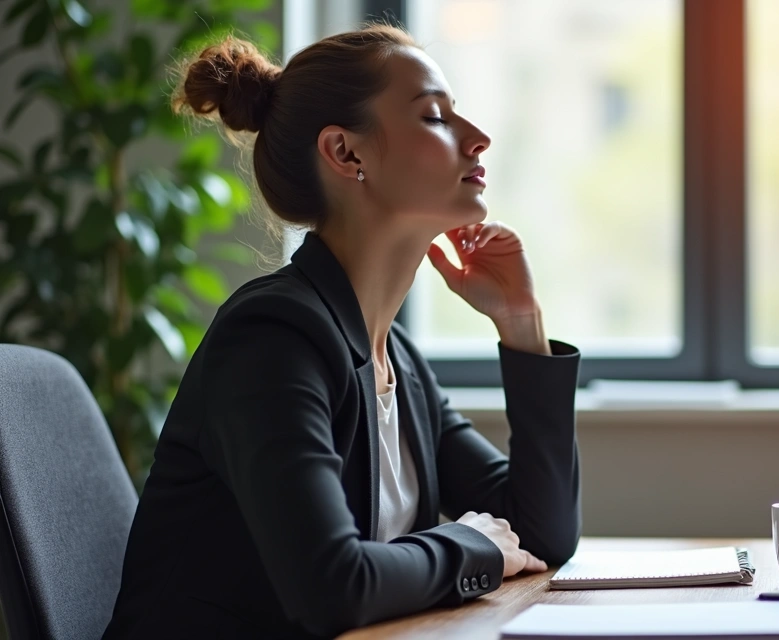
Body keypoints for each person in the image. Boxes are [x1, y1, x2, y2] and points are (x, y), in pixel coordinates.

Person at [102, 24, 582, 639]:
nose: (478, 139)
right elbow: (332, 585)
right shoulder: (272, 338)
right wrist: (471, 547)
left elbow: (542, 533)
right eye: (436, 117)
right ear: (346, 153)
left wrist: (522, 325)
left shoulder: (397, 361)